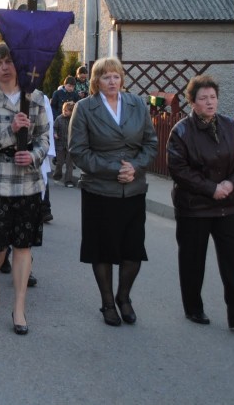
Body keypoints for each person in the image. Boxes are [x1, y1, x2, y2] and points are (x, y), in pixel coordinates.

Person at [69, 56, 158, 327]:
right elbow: (78, 151)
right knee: (102, 249)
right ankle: (107, 302)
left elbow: (151, 143)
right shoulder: (85, 108)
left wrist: (135, 167)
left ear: (122, 79)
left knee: (133, 249)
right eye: (106, 76)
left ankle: (124, 297)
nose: (112, 81)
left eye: (116, 76)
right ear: (96, 81)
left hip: (133, 189)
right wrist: (113, 169)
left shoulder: (137, 104)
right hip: (99, 190)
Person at [0, 42, 49, 335]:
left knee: (23, 245)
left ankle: (19, 307)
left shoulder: (35, 97)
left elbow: (44, 138)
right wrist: (10, 131)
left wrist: (34, 155)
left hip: (27, 182)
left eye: (9, 61)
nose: (4, 68)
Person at [166, 74, 234, 329]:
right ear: (192, 102)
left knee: (232, 261)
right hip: (194, 207)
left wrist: (230, 184)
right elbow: (179, 169)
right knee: (193, 261)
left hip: (227, 206)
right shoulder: (181, 131)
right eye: (203, 98)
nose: (209, 102)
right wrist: (211, 188)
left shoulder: (231, 126)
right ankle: (193, 308)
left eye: (213, 97)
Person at [52, 101, 75, 186]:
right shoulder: (59, 118)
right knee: (59, 162)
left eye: (66, 111)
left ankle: (68, 181)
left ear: (72, 112)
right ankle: (57, 176)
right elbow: (54, 128)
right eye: (63, 110)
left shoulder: (74, 119)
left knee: (69, 164)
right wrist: (55, 133)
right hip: (60, 144)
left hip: (70, 145)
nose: (64, 112)